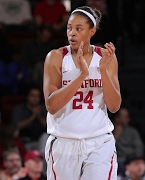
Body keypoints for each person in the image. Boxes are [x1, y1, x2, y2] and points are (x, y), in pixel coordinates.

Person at [43, 5, 121, 180]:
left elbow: (114, 106)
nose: (72, 33)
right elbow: (51, 105)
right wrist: (82, 76)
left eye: (79, 29)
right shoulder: (56, 57)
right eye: (69, 28)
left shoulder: (106, 57)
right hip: (64, 142)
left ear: (92, 31)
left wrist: (102, 72)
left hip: (99, 142)